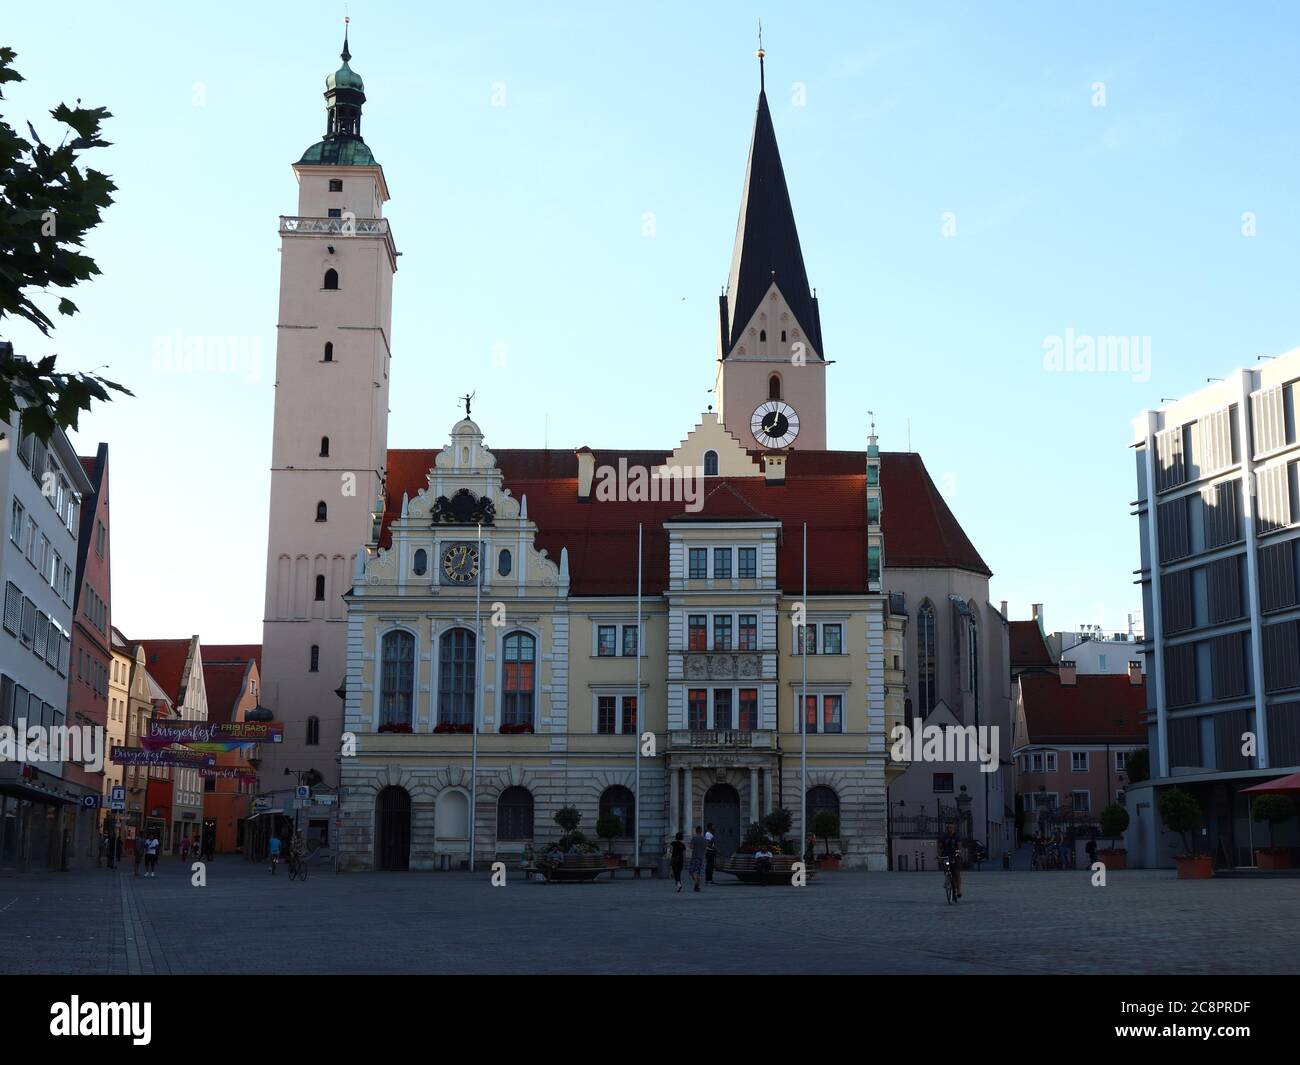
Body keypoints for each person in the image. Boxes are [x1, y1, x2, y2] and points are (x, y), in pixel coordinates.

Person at [939, 824, 962, 899]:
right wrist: (939, 856)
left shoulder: (956, 837)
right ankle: (947, 879)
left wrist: (958, 853)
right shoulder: (943, 837)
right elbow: (940, 847)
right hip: (946, 856)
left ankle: (958, 890)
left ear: (954, 828)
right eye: (948, 828)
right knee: (946, 867)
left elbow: (959, 846)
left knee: (956, 873)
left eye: (951, 828)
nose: (950, 829)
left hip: (954, 856)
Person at [688, 826, 707, 893]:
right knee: (700, 872)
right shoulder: (704, 839)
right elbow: (705, 848)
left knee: (692, 870)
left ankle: (695, 881)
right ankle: (698, 886)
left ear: (696, 831)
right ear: (701, 831)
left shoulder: (694, 838)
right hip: (701, 857)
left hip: (695, 857)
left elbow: (691, 847)